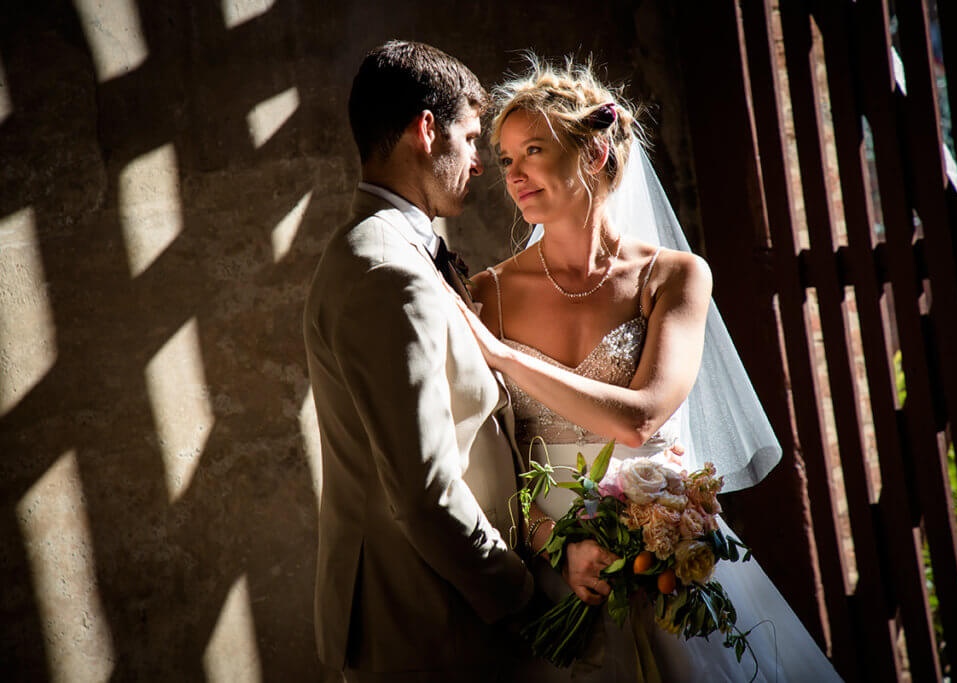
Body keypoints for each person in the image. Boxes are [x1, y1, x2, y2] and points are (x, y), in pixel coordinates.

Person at [461, 57, 844, 681]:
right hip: (555, 574)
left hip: (668, 562)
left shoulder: (676, 276)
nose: (516, 173)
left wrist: (503, 357)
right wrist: (555, 549)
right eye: (505, 160)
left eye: (533, 149)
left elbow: (641, 421)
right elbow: (487, 460)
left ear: (594, 153)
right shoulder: (487, 296)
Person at [303, 41, 534, 683]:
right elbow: (423, 490)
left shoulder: (393, 250)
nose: (482, 162)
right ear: (425, 132)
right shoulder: (386, 271)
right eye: (470, 137)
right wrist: (519, 594)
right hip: (431, 621)